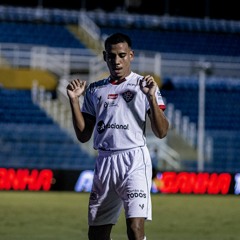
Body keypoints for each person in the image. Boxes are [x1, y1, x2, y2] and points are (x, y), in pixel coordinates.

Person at [66, 32, 169, 240]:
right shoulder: (95, 90)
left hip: (134, 161)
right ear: (105, 57)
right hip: (105, 162)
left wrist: (150, 98)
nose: (117, 61)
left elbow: (162, 131)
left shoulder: (145, 86)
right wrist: (74, 101)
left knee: (135, 228)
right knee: (97, 233)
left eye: (122, 55)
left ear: (131, 55)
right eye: (112, 56)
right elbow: (84, 135)